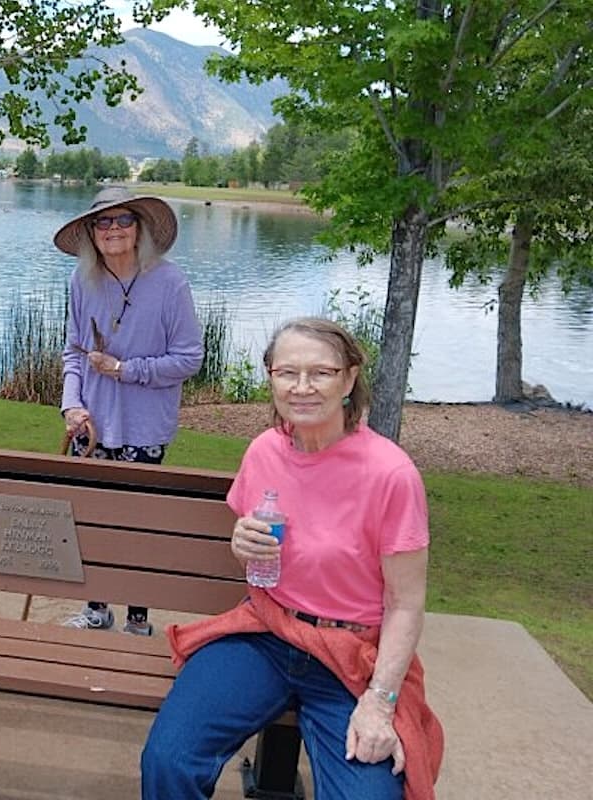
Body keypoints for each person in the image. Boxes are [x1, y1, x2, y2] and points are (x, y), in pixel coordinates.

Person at [141, 317, 444, 800]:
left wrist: (380, 703)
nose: (302, 387)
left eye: (320, 373)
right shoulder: (265, 451)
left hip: (349, 655)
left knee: (369, 796)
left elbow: (406, 604)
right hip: (266, 634)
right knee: (169, 759)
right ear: (271, 378)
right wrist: (242, 544)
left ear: (349, 378)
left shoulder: (391, 474)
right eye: (287, 373)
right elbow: (258, 542)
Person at [53, 186, 204, 635]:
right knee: (93, 521)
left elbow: (189, 358)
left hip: (144, 428)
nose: (114, 230)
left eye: (123, 221)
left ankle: (138, 620)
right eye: (104, 222)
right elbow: (74, 352)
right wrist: (71, 404)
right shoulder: (81, 281)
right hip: (92, 425)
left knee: (138, 529)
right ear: (91, 233)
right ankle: (97, 610)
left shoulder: (171, 283)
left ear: (139, 229)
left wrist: (126, 369)